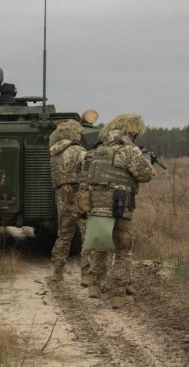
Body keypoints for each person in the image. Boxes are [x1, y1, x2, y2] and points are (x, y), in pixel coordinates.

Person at [83, 114, 153, 308]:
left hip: (97, 204)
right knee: (123, 249)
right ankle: (119, 294)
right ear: (132, 131)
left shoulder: (98, 149)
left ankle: (94, 285)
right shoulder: (129, 150)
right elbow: (145, 175)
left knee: (101, 244)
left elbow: (86, 174)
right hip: (121, 205)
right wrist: (146, 159)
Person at [48, 120, 88, 283]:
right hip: (79, 195)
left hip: (62, 196)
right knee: (86, 235)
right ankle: (87, 274)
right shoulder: (78, 150)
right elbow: (88, 169)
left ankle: (58, 270)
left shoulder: (54, 154)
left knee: (64, 235)